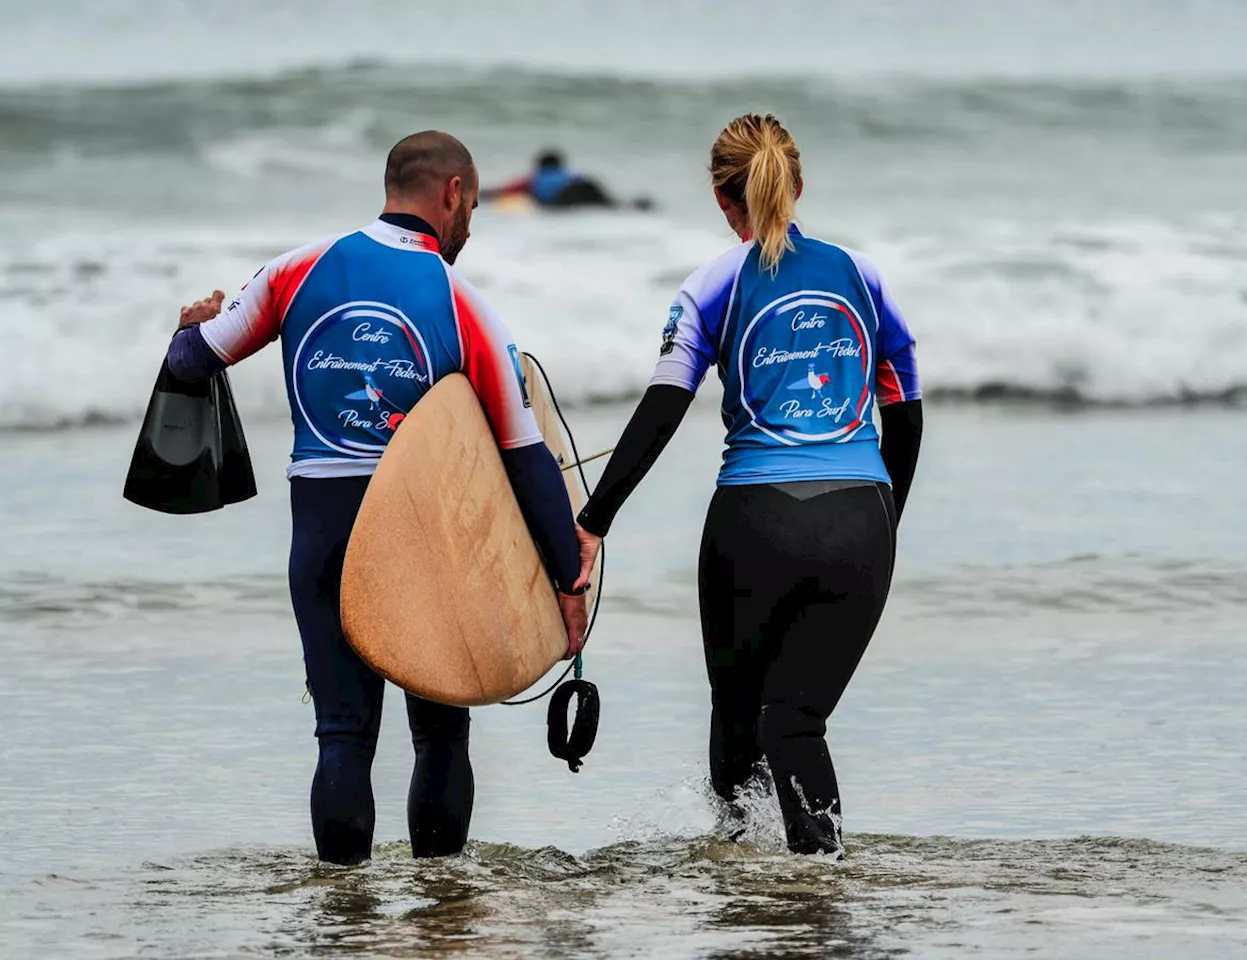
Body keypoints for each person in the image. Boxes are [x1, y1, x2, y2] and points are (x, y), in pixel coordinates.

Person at [166, 131, 590, 865]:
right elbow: (525, 454)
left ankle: (342, 915)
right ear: (452, 193)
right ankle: (438, 910)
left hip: (323, 536)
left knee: (342, 733)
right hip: (427, 540)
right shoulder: (462, 302)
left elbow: (190, 362)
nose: (471, 226)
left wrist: (189, 326)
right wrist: (568, 577)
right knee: (440, 733)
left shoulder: (293, 271)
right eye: (474, 207)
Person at [571, 114, 924, 856]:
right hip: (860, 523)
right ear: (798, 185)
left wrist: (593, 520)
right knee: (797, 722)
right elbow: (906, 407)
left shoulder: (711, 286)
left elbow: (662, 410)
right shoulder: (863, 276)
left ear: (719, 196)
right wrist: (885, 516)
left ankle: (746, 887)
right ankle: (819, 884)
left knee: (739, 725)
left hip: (753, 524)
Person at [481, 149, 650, 210]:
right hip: (587, 184)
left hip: (564, 194)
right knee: (612, 205)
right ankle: (636, 205)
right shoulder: (568, 173)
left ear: (539, 165)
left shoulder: (533, 178)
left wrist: (480, 195)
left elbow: (503, 191)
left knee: (557, 210)